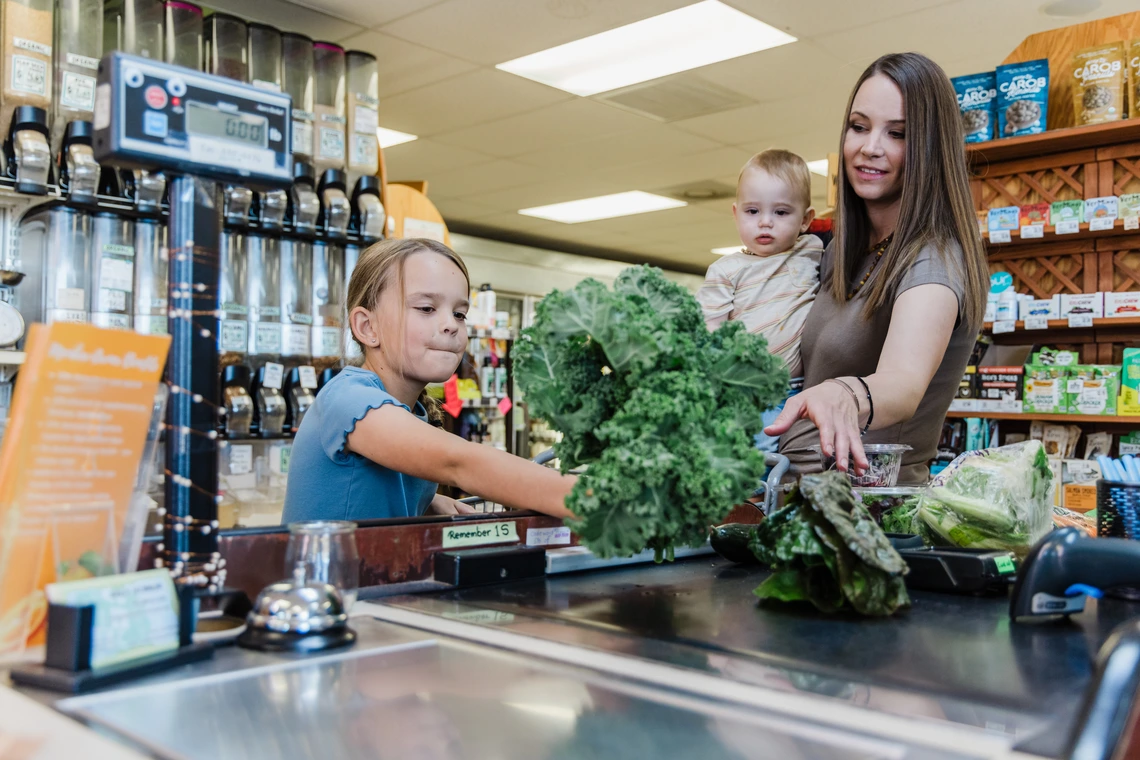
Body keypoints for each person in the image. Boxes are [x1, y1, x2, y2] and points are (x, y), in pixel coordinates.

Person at [766, 52, 989, 484]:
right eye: (859, 126)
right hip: (799, 499)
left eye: (898, 133)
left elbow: (902, 383)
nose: (870, 147)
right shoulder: (838, 254)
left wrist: (844, 392)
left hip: (871, 513)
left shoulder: (933, 257)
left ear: (930, 148)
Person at [282, 237, 576, 523]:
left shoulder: (411, 412)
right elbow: (459, 463)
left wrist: (426, 501)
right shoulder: (348, 400)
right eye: (426, 308)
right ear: (367, 327)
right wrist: (593, 500)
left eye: (459, 313)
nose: (450, 324)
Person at [696, 149, 825, 453]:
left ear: (805, 220)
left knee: (793, 468)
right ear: (736, 213)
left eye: (781, 212)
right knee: (756, 464)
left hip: (802, 390)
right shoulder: (726, 270)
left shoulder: (813, 250)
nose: (765, 222)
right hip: (747, 390)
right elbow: (709, 330)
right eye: (752, 211)